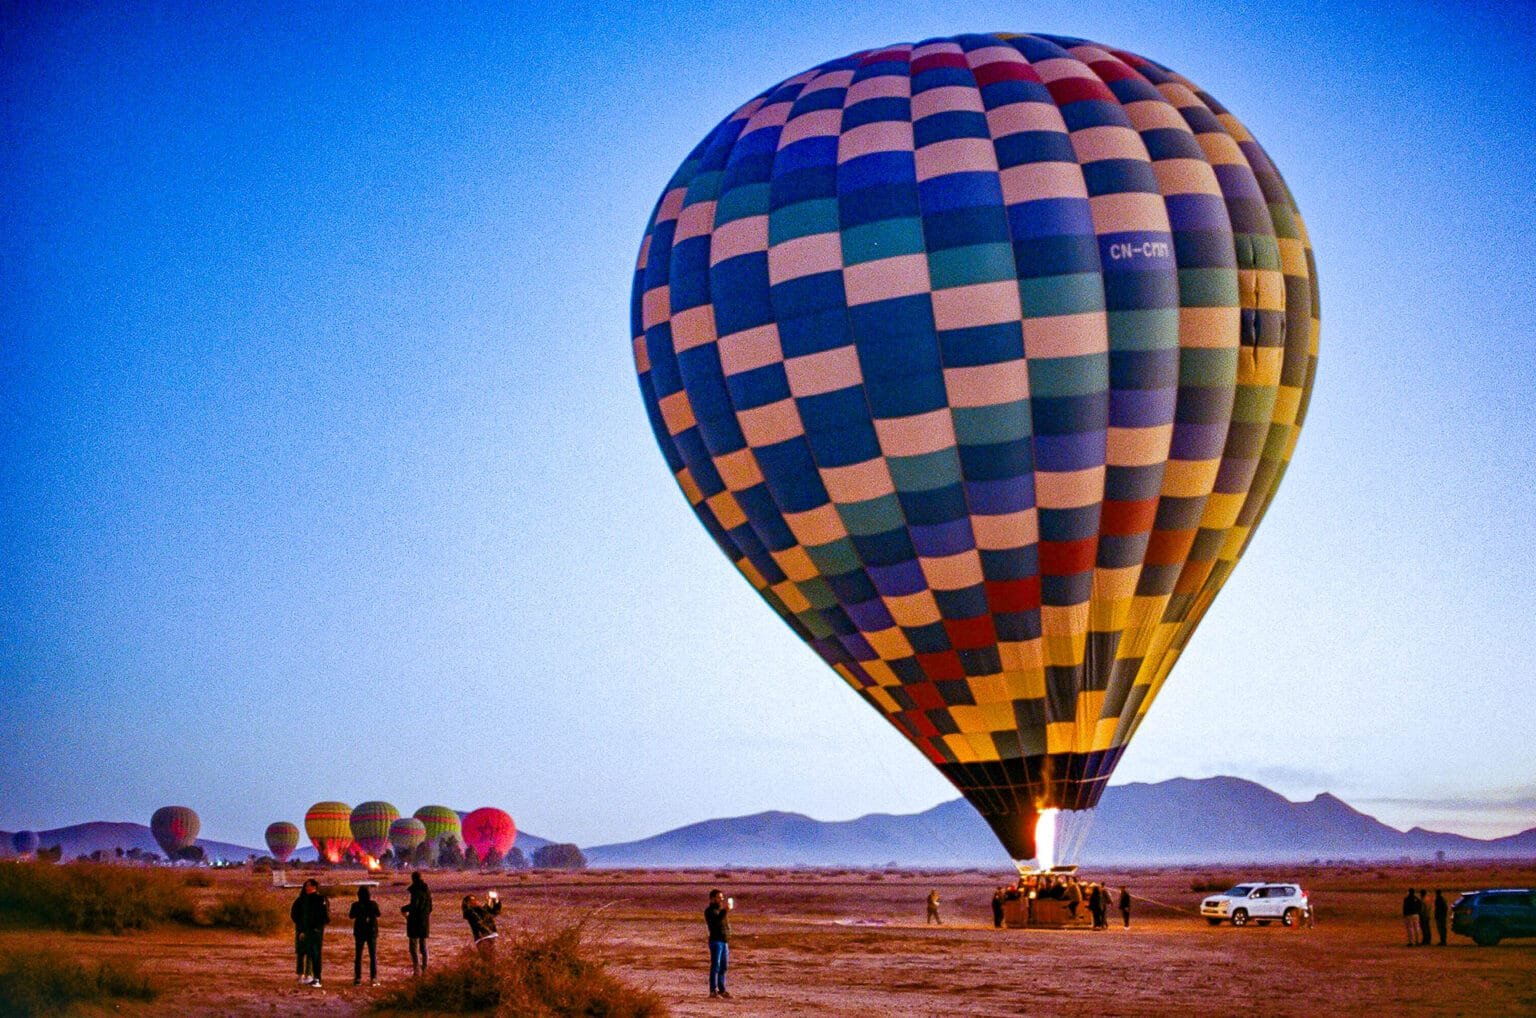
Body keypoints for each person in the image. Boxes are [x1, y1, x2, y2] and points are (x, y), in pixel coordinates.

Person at [291, 879, 330, 987]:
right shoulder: (301, 900)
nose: (307, 888)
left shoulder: (320, 899)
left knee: (313, 954)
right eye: (306, 886)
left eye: (309, 886)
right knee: (301, 951)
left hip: (315, 931)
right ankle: (301, 974)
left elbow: (324, 916)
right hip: (303, 929)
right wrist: (301, 927)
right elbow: (295, 914)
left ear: (314, 887)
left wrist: (316, 927)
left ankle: (311, 975)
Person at [401, 871, 433, 975]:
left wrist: (404, 909)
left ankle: (416, 970)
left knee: (413, 947)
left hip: (414, 922)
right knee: (423, 946)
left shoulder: (415, 891)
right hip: (424, 921)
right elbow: (430, 908)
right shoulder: (427, 891)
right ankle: (425, 969)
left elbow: (414, 906)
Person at [350, 885, 381, 986]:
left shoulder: (355, 905)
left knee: (358, 955)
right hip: (371, 932)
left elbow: (351, 916)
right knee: (373, 955)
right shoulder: (373, 904)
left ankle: (358, 978)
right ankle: (374, 978)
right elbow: (378, 914)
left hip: (359, 932)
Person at [705, 888, 733, 999]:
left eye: (722, 898)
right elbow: (715, 923)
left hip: (724, 941)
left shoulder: (720, 910)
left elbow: (724, 924)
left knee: (723, 966)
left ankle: (722, 989)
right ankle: (713, 990)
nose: (721, 900)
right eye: (719, 897)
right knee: (715, 966)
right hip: (716, 941)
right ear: (712, 898)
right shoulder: (710, 911)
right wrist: (725, 911)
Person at [462, 891, 502, 956]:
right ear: (467, 903)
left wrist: (495, 900)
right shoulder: (469, 912)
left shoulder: (480, 910)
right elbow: (482, 914)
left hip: (490, 936)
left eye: (475, 900)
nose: (475, 902)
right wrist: (489, 902)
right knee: (488, 958)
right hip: (482, 938)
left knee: (491, 958)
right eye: (472, 900)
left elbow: (495, 911)